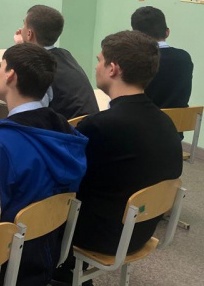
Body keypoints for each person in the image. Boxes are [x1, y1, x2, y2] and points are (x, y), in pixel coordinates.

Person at [54, 31, 183, 283]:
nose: (96, 66)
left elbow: (66, 178)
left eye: (100, 60)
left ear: (112, 69)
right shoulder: (165, 121)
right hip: (143, 229)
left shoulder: (100, 125)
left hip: (105, 235)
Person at [0, 43, 87, 286]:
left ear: (10, 75)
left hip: (3, 261)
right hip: (46, 252)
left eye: (0, 68)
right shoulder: (67, 132)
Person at [14, 5, 99, 119]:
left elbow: (30, 114)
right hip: (88, 124)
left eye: (24, 24)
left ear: (29, 34)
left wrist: (21, 47)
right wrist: (23, 46)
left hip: (65, 129)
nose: (21, 28)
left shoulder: (38, 68)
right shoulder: (65, 54)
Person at [130, 6, 193, 109]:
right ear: (167, 32)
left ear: (135, 36)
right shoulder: (184, 57)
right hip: (181, 118)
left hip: (145, 117)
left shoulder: (135, 59)